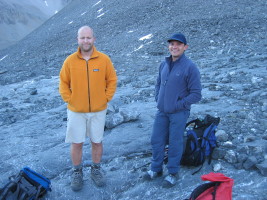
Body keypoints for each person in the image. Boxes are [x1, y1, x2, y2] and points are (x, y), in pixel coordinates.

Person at [59, 25, 117, 191]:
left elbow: (112, 80)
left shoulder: (104, 59)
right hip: (76, 110)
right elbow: (63, 82)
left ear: (94, 39)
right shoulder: (70, 61)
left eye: (88, 37)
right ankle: (77, 172)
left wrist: (105, 98)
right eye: (82, 38)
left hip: (98, 110)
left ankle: (96, 170)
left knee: (97, 142)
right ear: (78, 40)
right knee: (76, 143)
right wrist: (70, 99)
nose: (86, 41)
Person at [144, 33, 202, 188]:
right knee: (156, 140)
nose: (174, 47)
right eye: (172, 44)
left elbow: (196, 94)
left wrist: (177, 105)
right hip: (162, 111)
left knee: (175, 142)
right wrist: (158, 98)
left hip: (179, 113)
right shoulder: (164, 64)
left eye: (178, 44)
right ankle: (156, 169)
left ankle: (172, 173)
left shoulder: (190, 67)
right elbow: (158, 83)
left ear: (185, 47)